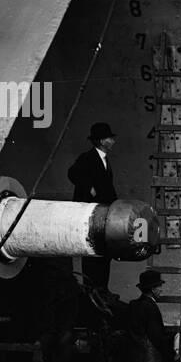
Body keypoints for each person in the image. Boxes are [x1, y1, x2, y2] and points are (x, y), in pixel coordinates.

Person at [67, 122, 118, 290]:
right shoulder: (87, 157)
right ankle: (93, 293)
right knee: (93, 254)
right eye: (110, 138)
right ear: (102, 141)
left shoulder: (104, 160)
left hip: (103, 215)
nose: (113, 141)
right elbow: (73, 173)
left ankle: (101, 291)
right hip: (90, 216)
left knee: (103, 254)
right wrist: (89, 188)